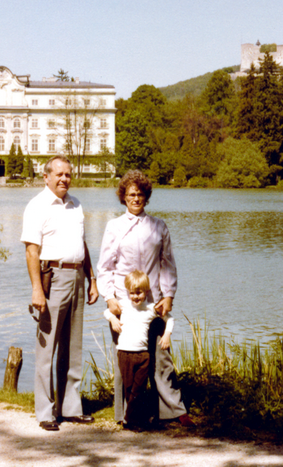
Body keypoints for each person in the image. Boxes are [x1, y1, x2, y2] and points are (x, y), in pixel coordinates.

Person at [97, 169, 194, 427]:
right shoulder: (114, 227)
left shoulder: (159, 226)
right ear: (123, 197)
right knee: (126, 357)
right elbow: (105, 266)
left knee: (161, 357)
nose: (136, 199)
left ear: (146, 196)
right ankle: (126, 413)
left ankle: (173, 410)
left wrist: (169, 295)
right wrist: (109, 298)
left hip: (153, 302)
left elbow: (167, 264)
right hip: (124, 301)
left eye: (140, 194)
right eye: (131, 194)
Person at [21, 155, 99, 431]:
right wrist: (36, 290)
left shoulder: (76, 204)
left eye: (68, 174)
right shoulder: (37, 206)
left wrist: (92, 278)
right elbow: (31, 251)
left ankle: (70, 407)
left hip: (77, 275)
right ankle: (45, 412)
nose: (65, 179)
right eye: (59, 174)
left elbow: (82, 243)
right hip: (51, 278)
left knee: (72, 347)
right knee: (47, 347)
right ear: (46, 177)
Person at [104, 270, 174, 430]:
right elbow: (107, 311)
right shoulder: (124, 306)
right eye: (132, 293)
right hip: (124, 353)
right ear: (127, 292)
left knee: (139, 388)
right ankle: (134, 420)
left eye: (139, 293)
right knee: (129, 388)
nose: (136, 296)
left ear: (146, 292)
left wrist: (167, 335)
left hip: (143, 355)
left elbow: (169, 318)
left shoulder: (150, 309)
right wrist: (113, 318)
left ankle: (131, 420)